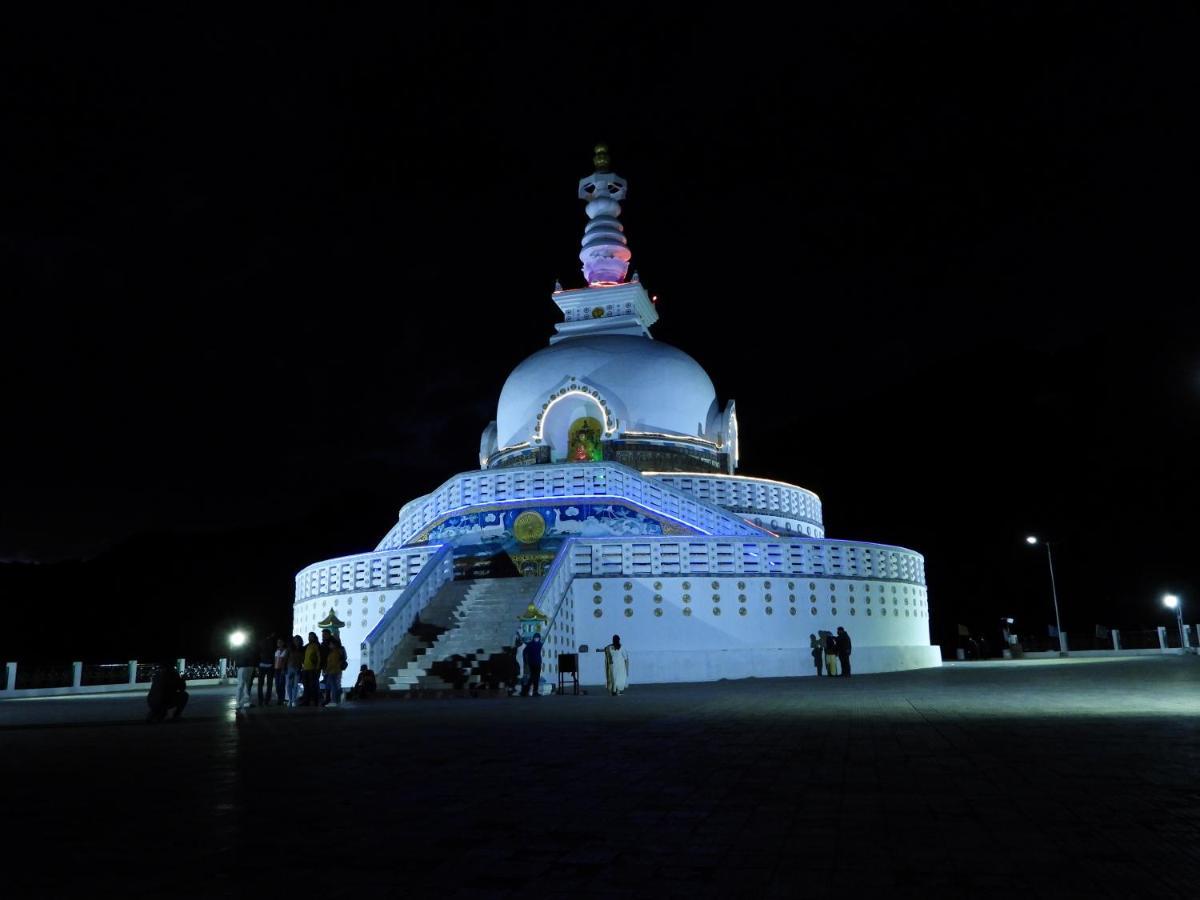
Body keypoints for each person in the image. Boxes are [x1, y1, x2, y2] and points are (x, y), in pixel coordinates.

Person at [235, 632, 257, 708]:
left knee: (247, 685)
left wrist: (254, 666)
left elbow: (254, 656)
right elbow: (237, 655)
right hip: (243, 666)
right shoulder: (241, 646)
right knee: (241, 684)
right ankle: (238, 702)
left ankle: (246, 702)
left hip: (248, 666)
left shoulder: (251, 646)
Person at [255, 633, 277, 706]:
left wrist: (257, 664)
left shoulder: (261, 642)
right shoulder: (272, 642)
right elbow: (273, 654)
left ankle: (261, 700)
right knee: (269, 684)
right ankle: (266, 700)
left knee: (261, 684)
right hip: (269, 665)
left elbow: (257, 653)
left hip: (262, 665)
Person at [323, 635, 345, 707]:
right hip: (333, 671)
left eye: (331, 644)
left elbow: (333, 663)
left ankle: (334, 701)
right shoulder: (335, 652)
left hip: (333, 671)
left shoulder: (335, 653)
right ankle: (335, 700)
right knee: (331, 686)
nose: (329, 645)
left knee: (333, 686)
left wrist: (327, 669)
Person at [301, 632, 322, 706]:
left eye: (311, 636)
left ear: (314, 637)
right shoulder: (308, 646)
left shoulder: (316, 645)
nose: (309, 638)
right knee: (306, 686)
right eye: (309, 636)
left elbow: (319, 657)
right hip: (305, 668)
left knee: (312, 686)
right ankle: (306, 700)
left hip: (312, 669)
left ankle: (312, 700)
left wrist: (317, 667)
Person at [285, 634, 304, 707]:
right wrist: (284, 668)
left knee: (295, 685)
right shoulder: (290, 649)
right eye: (295, 640)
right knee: (289, 685)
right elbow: (285, 658)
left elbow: (302, 660)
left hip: (297, 668)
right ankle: (290, 700)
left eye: (297, 640)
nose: (296, 641)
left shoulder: (302, 649)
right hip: (290, 668)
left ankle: (293, 700)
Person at [273, 637, 288, 706]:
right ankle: (279, 698)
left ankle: (281, 699)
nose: (279, 643)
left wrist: (283, 669)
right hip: (276, 669)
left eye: (280, 642)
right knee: (277, 685)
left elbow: (285, 661)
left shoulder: (286, 650)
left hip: (282, 669)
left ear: (283, 643)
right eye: (278, 642)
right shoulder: (276, 650)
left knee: (281, 685)